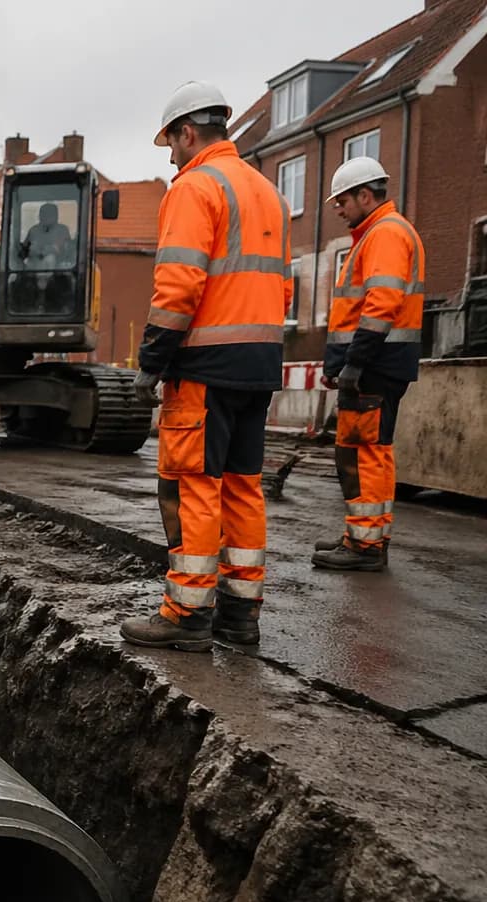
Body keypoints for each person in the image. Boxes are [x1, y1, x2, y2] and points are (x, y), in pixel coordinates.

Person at [121, 81, 292, 652]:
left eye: (171, 144)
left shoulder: (196, 187)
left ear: (188, 133)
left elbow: (179, 284)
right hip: (259, 363)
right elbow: (278, 288)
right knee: (243, 485)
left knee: (193, 483)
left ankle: (188, 613)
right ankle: (241, 615)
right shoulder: (266, 192)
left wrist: (152, 360)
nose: (170, 156)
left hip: (205, 364)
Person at [312, 156, 423, 572]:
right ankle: (366, 535)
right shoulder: (378, 233)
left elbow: (381, 305)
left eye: (342, 201)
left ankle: (365, 545)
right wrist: (338, 361)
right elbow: (356, 310)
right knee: (372, 451)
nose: (338, 209)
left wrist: (355, 364)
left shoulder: (385, 234)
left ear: (365, 195)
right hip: (379, 362)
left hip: (376, 363)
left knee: (362, 454)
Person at [22, 202, 73, 267]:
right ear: (40, 216)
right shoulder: (33, 231)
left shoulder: (63, 230)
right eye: (43, 214)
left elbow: (68, 252)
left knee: (50, 258)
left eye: (49, 215)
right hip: (34, 267)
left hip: (58, 269)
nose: (46, 217)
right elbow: (24, 252)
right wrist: (33, 251)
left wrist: (53, 250)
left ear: (56, 216)